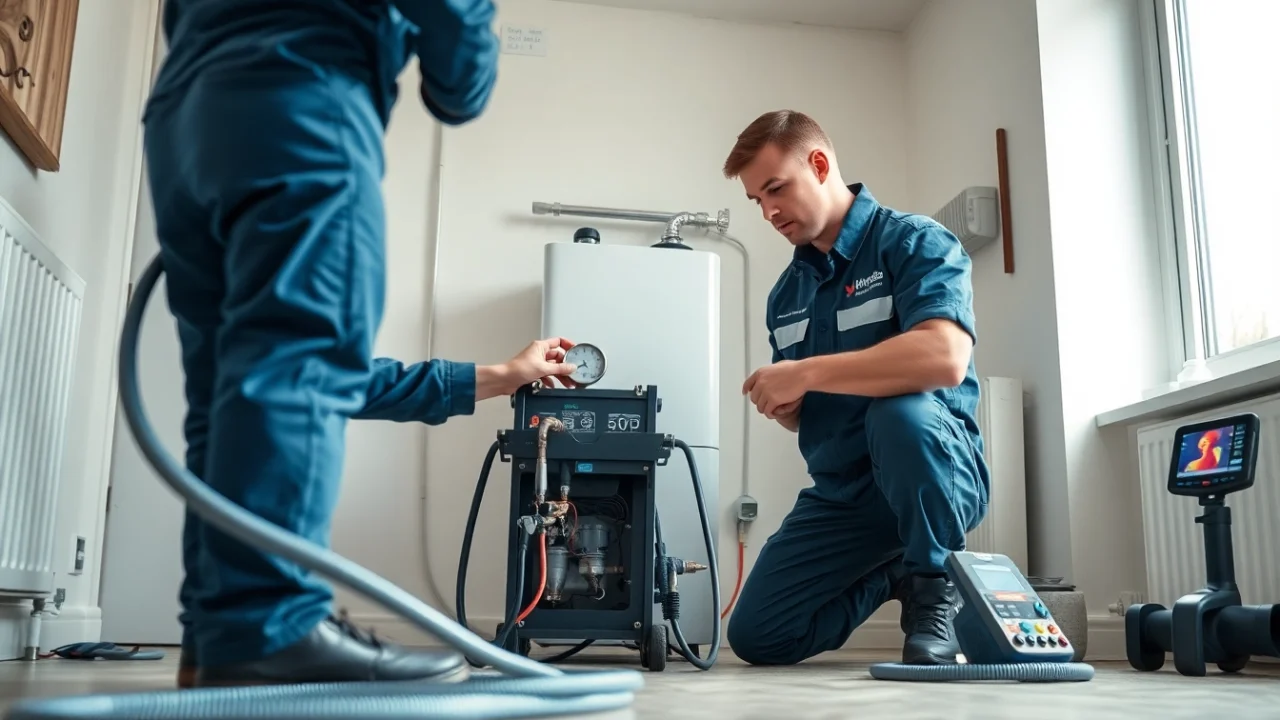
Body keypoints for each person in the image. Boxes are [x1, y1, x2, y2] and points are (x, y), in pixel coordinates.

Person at [140, 0, 562, 689]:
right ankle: (269, 629)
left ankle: (221, 637)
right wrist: (465, 74)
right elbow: (457, 63)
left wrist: (498, 373)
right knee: (293, 370)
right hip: (301, 90)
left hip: (181, 120)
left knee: (226, 397)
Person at [722, 110, 990, 666]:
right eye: (757, 200)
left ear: (819, 165)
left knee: (899, 414)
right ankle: (892, 575)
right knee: (758, 636)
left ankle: (935, 589)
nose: (769, 212)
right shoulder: (786, 295)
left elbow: (944, 358)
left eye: (776, 189)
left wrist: (807, 372)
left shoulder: (914, 242)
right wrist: (788, 406)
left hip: (934, 474)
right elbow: (810, 410)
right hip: (844, 495)